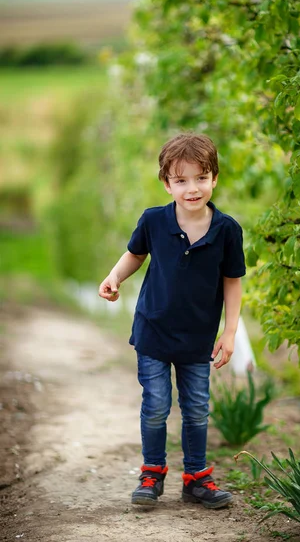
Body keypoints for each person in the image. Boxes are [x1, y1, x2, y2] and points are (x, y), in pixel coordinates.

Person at [99, 132, 246, 509]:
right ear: (167, 183)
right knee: (157, 405)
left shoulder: (226, 230)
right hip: (153, 330)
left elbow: (233, 281)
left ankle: (197, 478)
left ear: (214, 178)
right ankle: (152, 474)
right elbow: (134, 254)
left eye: (201, 178)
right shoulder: (153, 221)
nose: (192, 189)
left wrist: (229, 333)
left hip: (197, 339)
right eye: (181, 180)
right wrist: (115, 277)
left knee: (197, 407)